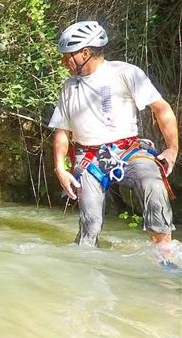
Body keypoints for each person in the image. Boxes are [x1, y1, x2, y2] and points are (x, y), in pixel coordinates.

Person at [49, 20, 178, 256]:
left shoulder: (125, 73)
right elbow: (61, 131)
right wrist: (60, 167)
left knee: (153, 184)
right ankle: (87, 266)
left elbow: (161, 108)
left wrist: (172, 148)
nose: (64, 62)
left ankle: (165, 255)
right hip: (89, 159)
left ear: (85, 53)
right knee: (90, 223)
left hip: (129, 151)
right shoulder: (69, 87)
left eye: (68, 56)